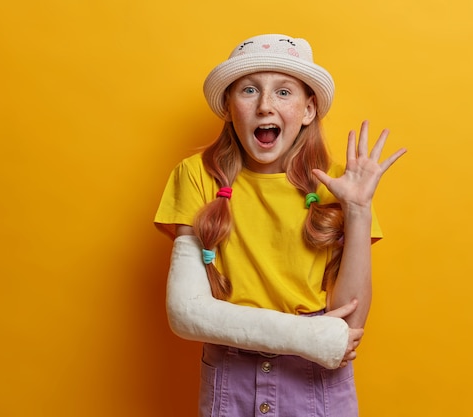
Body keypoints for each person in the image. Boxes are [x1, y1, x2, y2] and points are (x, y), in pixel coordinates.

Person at [155, 33, 405, 417]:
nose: (265, 106)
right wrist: (305, 335)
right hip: (231, 378)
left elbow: (346, 334)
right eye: (249, 90)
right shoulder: (196, 176)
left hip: (315, 381)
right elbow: (185, 311)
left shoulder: (338, 184)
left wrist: (357, 209)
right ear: (228, 107)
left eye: (284, 93)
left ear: (308, 110)